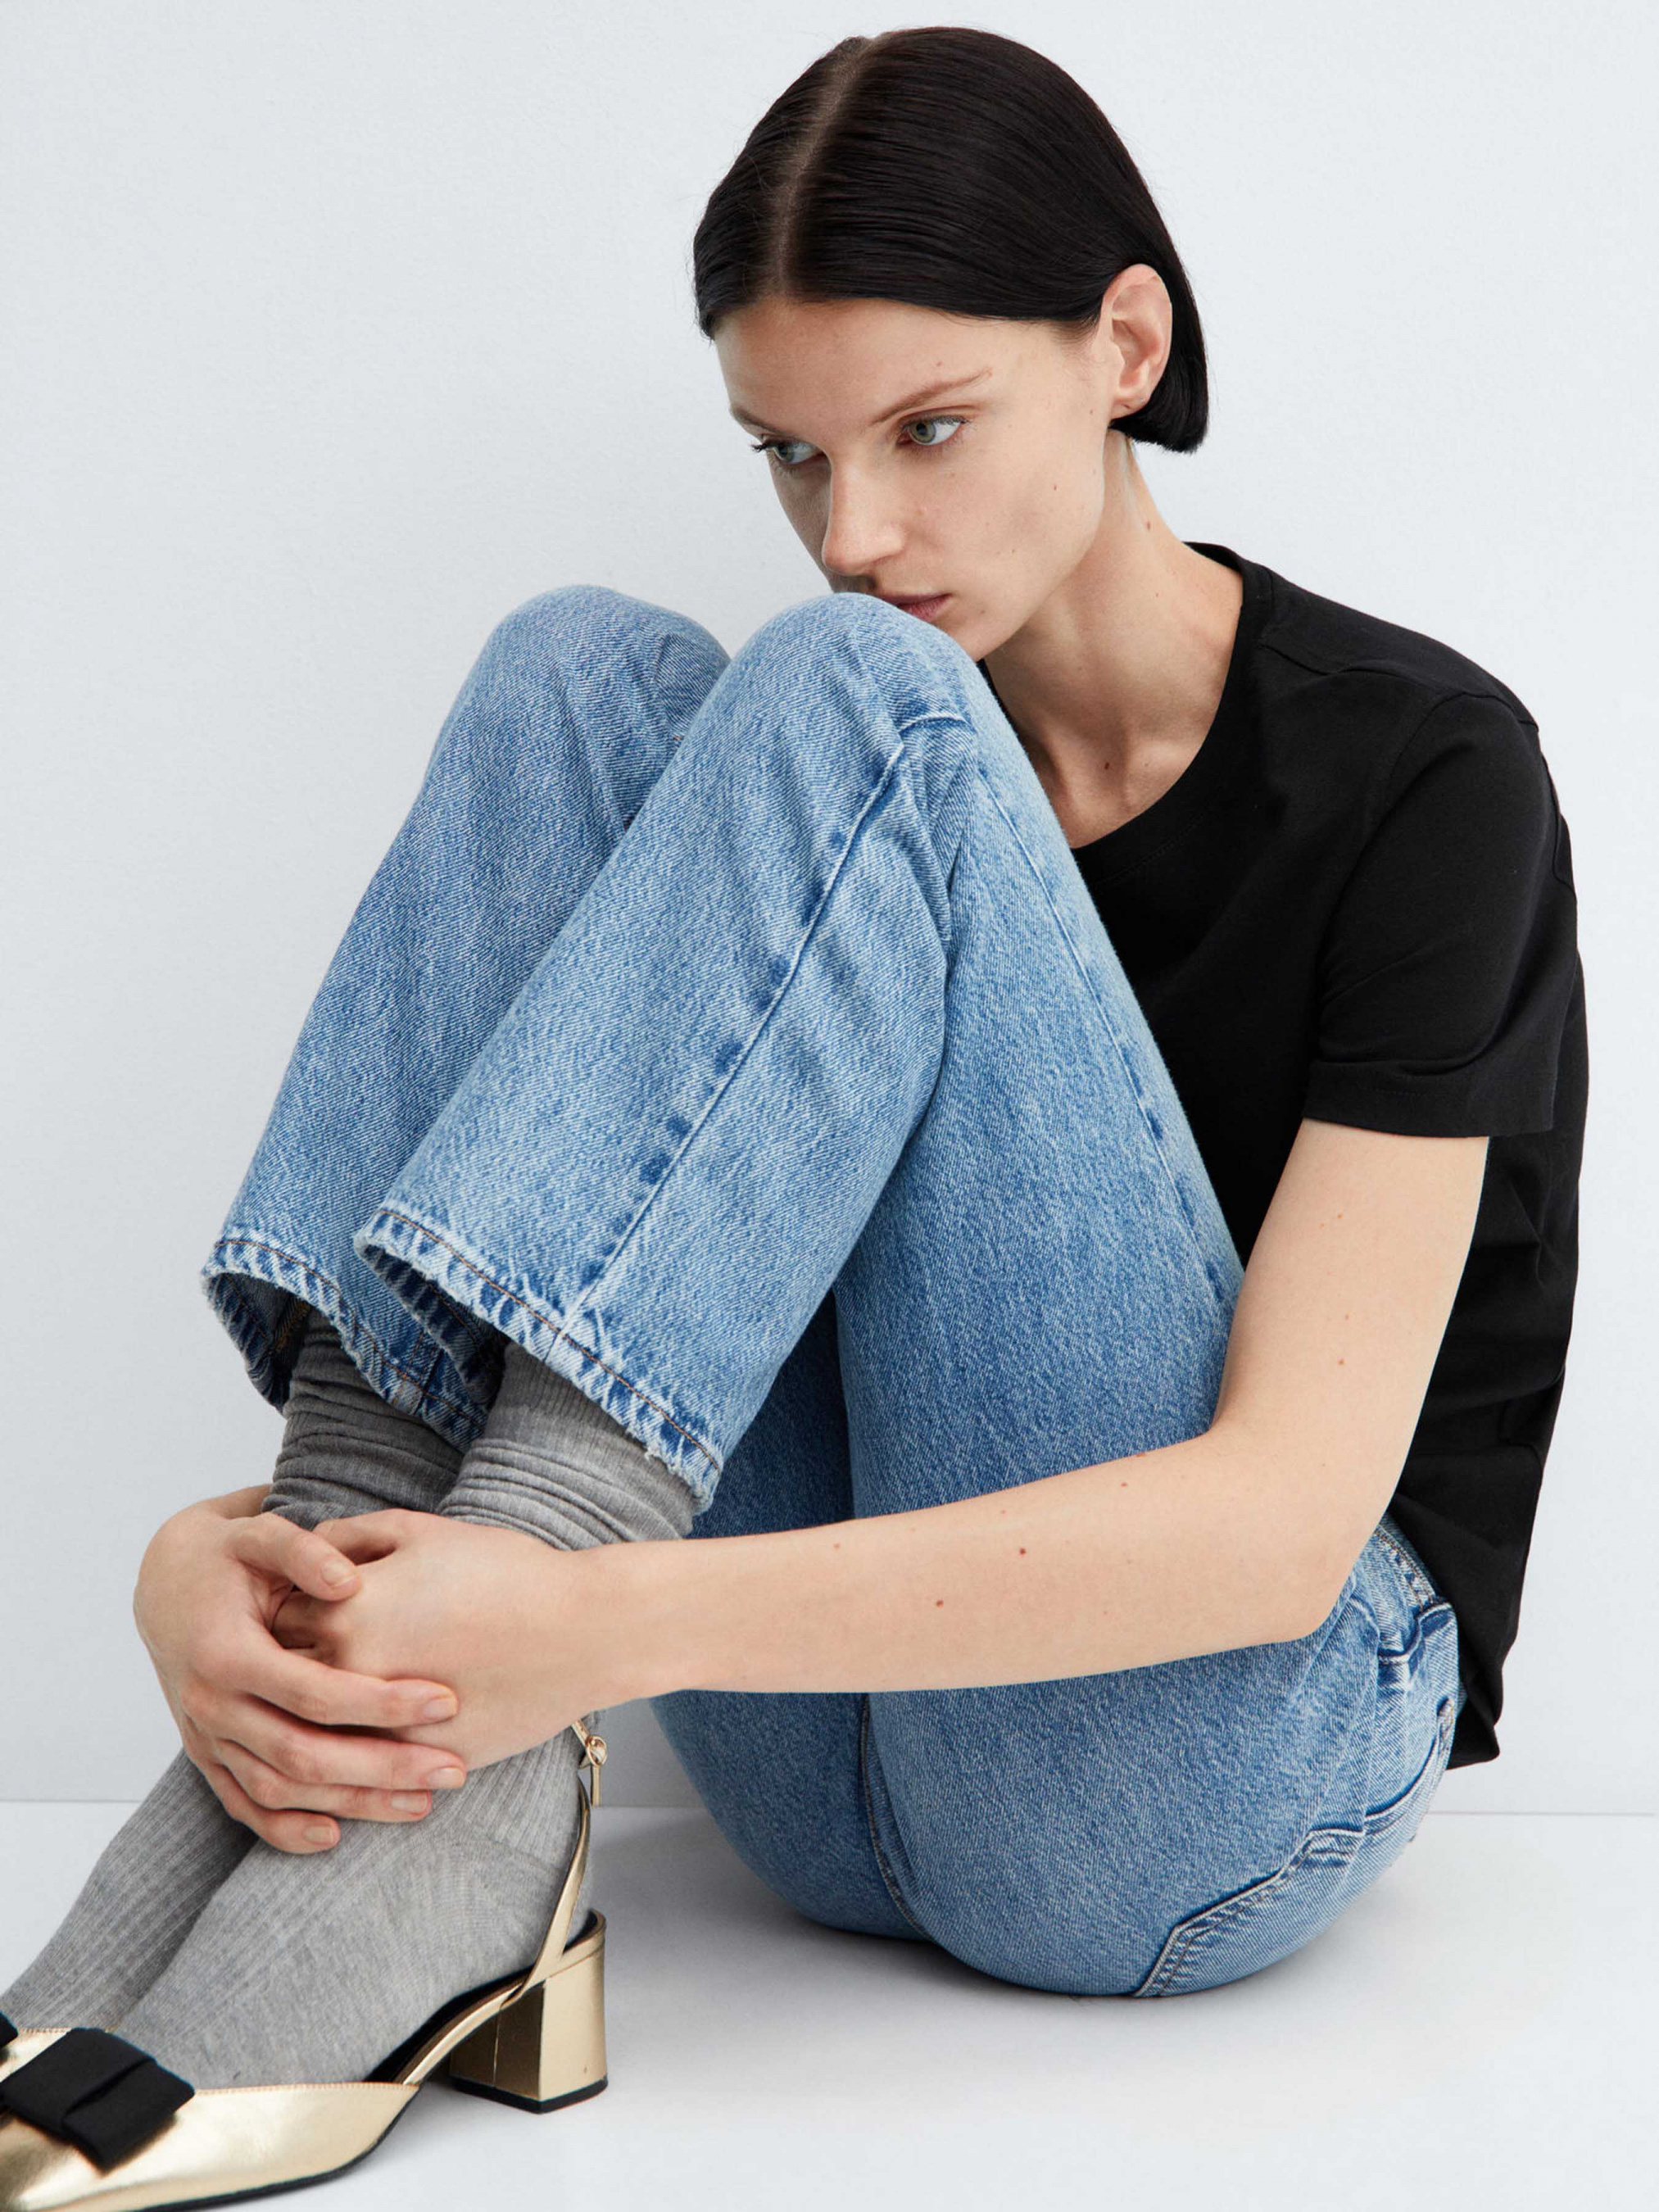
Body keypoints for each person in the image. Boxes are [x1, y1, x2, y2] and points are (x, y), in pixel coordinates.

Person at [0, 25, 1584, 2208]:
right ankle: (375, 1697)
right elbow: (643, 1309)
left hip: (1213, 1778)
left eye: (929, 428)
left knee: (855, 699)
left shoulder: (1425, 775)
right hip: (816, 1789)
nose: (856, 532)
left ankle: (439, 1805)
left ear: (1125, 345)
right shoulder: (814, 799)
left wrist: (590, 1631)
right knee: (578, 669)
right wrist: (240, 1570)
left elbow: (1282, 1528)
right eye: (789, 456)